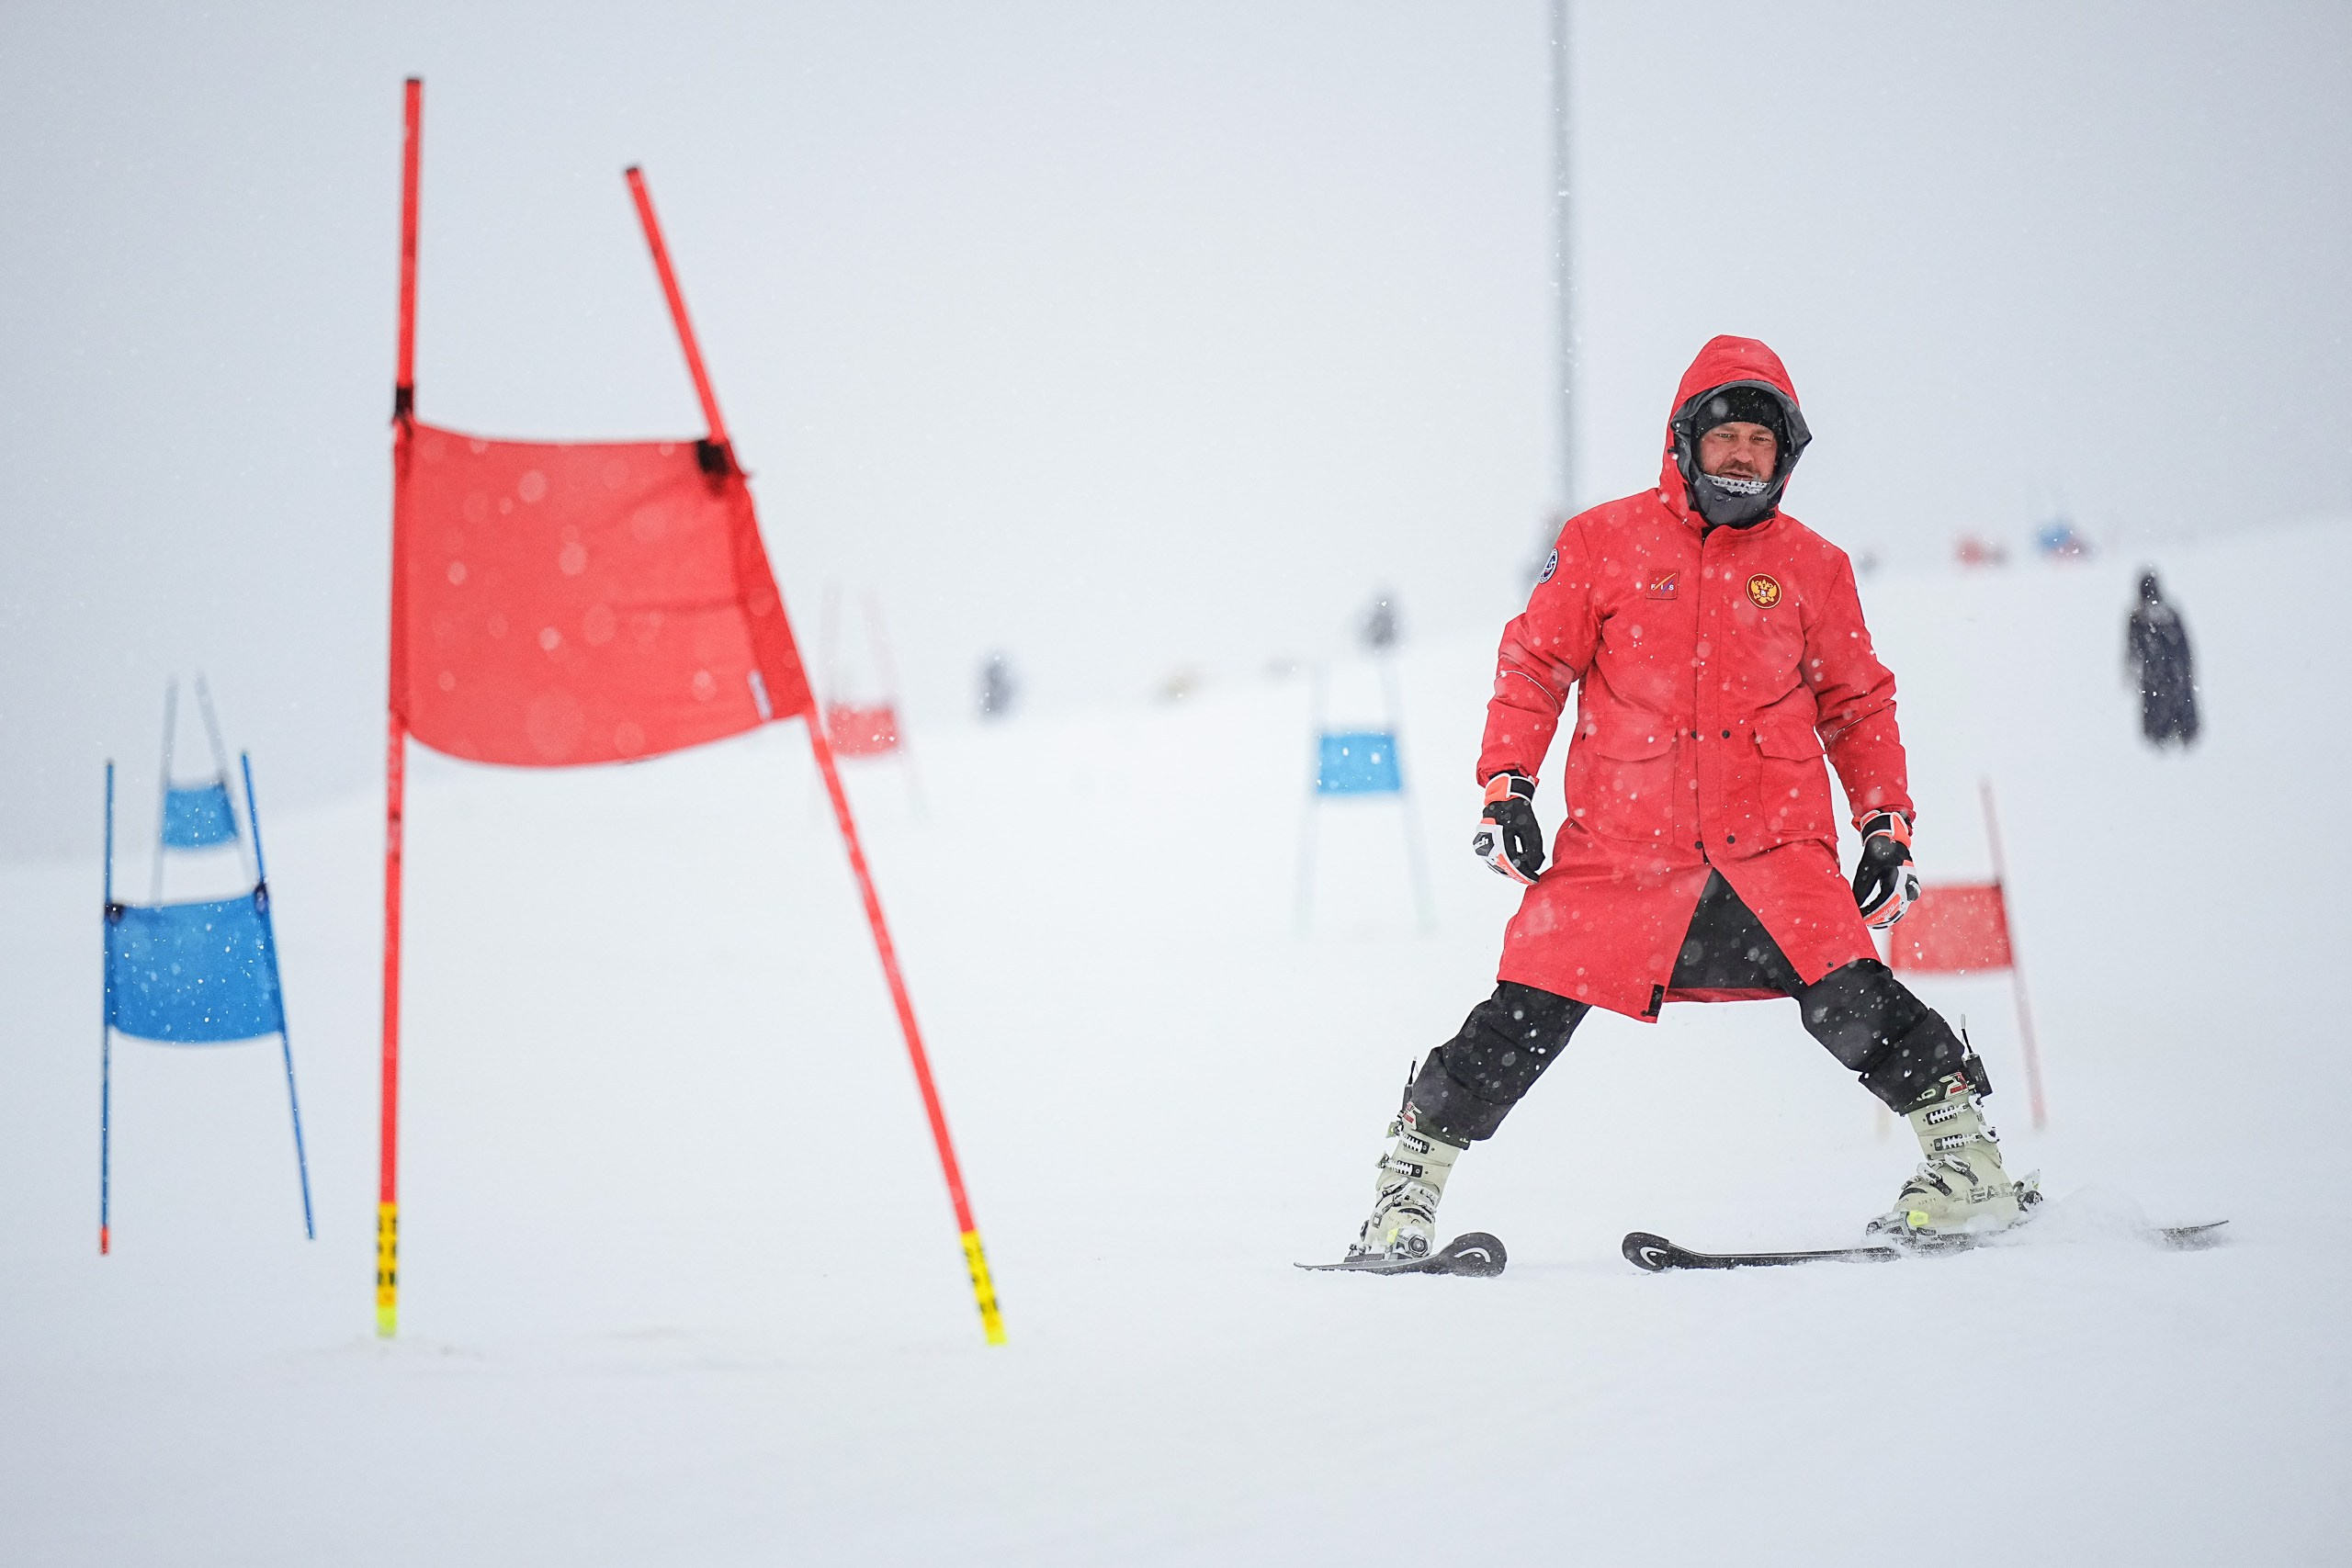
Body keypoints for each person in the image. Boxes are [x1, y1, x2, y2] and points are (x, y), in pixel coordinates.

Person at [1346, 336, 2036, 1262]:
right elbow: (1535, 664)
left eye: (1761, 438)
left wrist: (1884, 824)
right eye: (1726, 437)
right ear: (1684, 443)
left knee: (1852, 1001)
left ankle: (1969, 1170)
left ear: (1783, 455)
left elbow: (1856, 703)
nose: (1742, 453)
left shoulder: (1812, 567)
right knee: (1522, 1018)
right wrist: (1507, 784)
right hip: (1621, 857)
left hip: (1772, 856)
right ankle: (1405, 1190)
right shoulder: (1601, 543)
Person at [2126, 571, 2199, 748]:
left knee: (2157, 705)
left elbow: (2133, 649)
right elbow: (2185, 644)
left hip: (2155, 672)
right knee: (2177, 702)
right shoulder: (2168, 613)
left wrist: (2132, 671)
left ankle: (2161, 735)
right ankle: (2181, 733)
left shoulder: (2139, 616)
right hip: (2173, 670)